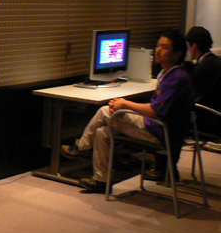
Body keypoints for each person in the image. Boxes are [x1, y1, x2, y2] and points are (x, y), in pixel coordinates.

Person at [60, 30, 195, 192]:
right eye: (158, 45)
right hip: (161, 127)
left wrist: (125, 104)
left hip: (162, 132)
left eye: (164, 47)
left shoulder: (176, 78)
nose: (158, 50)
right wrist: (124, 105)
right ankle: (101, 180)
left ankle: (81, 148)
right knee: (103, 132)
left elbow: (154, 111)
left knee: (104, 111)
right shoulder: (169, 73)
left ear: (177, 54)